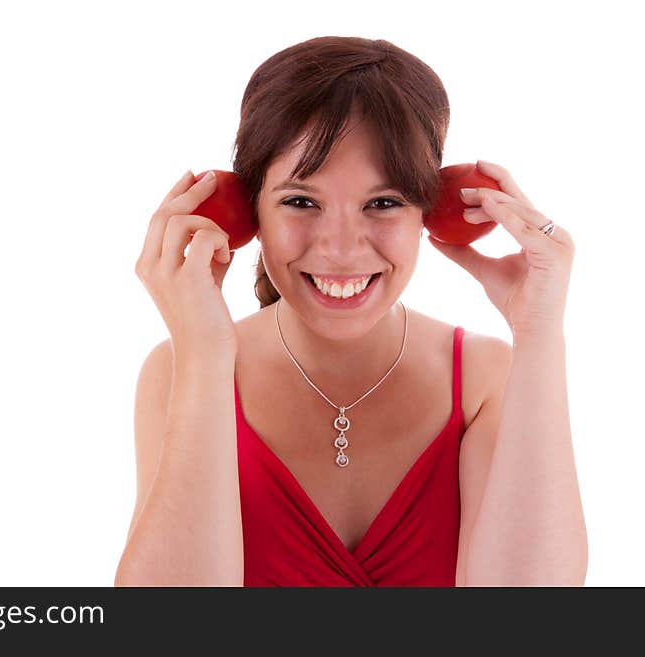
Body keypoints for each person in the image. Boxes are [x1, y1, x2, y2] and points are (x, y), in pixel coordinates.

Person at [115, 36, 586, 586]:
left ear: (432, 212)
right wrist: (204, 355)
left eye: (383, 203)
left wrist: (540, 333)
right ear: (247, 213)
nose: (341, 249)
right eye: (300, 201)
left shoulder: (485, 378)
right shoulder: (179, 370)